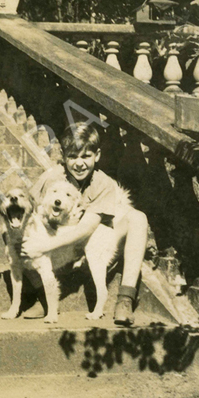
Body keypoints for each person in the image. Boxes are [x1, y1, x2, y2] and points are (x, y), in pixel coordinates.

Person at [25, 122, 149, 325]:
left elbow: (87, 229)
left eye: (86, 156)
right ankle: (44, 294)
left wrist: (48, 245)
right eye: (72, 157)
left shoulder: (103, 183)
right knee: (16, 230)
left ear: (97, 155)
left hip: (92, 244)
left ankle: (126, 298)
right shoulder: (52, 178)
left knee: (138, 217)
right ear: (63, 158)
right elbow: (34, 211)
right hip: (58, 250)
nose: (79, 163)